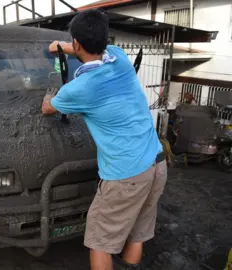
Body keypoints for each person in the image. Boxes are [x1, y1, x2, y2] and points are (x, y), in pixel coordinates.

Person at [42, 9, 167, 270]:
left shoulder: (80, 88)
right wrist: (62, 47)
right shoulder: (119, 58)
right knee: (137, 230)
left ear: (77, 43)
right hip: (156, 162)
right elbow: (86, 49)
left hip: (126, 176)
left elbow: (48, 108)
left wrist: (48, 95)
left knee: (100, 241)